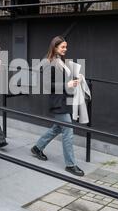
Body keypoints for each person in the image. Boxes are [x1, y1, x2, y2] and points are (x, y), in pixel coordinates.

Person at [30, 36, 85, 177]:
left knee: (57, 128)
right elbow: (48, 85)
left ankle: (37, 148)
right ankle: (70, 165)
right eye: (63, 47)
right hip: (57, 102)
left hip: (64, 100)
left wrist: (74, 80)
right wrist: (67, 84)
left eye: (66, 47)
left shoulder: (60, 60)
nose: (65, 49)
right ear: (55, 47)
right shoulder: (49, 62)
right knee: (68, 131)